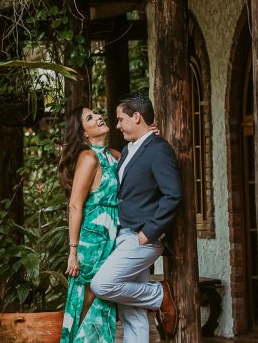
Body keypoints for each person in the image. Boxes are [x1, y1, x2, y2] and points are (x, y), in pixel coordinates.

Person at [90, 92, 181, 342]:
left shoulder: (159, 150)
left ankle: (159, 295)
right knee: (133, 313)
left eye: (121, 119)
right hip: (123, 234)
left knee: (102, 285)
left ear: (137, 117)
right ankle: (153, 298)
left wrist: (149, 232)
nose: (117, 126)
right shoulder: (129, 149)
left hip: (143, 238)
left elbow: (172, 195)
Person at [59, 106, 121, 342]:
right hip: (93, 239)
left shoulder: (110, 154)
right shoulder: (88, 157)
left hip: (112, 236)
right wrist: (72, 251)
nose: (98, 116)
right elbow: (75, 205)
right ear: (83, 133)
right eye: (90, 117)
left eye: (96, 113)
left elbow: (138, 157)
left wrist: (150, 134)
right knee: (88, 297)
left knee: (103, 299)